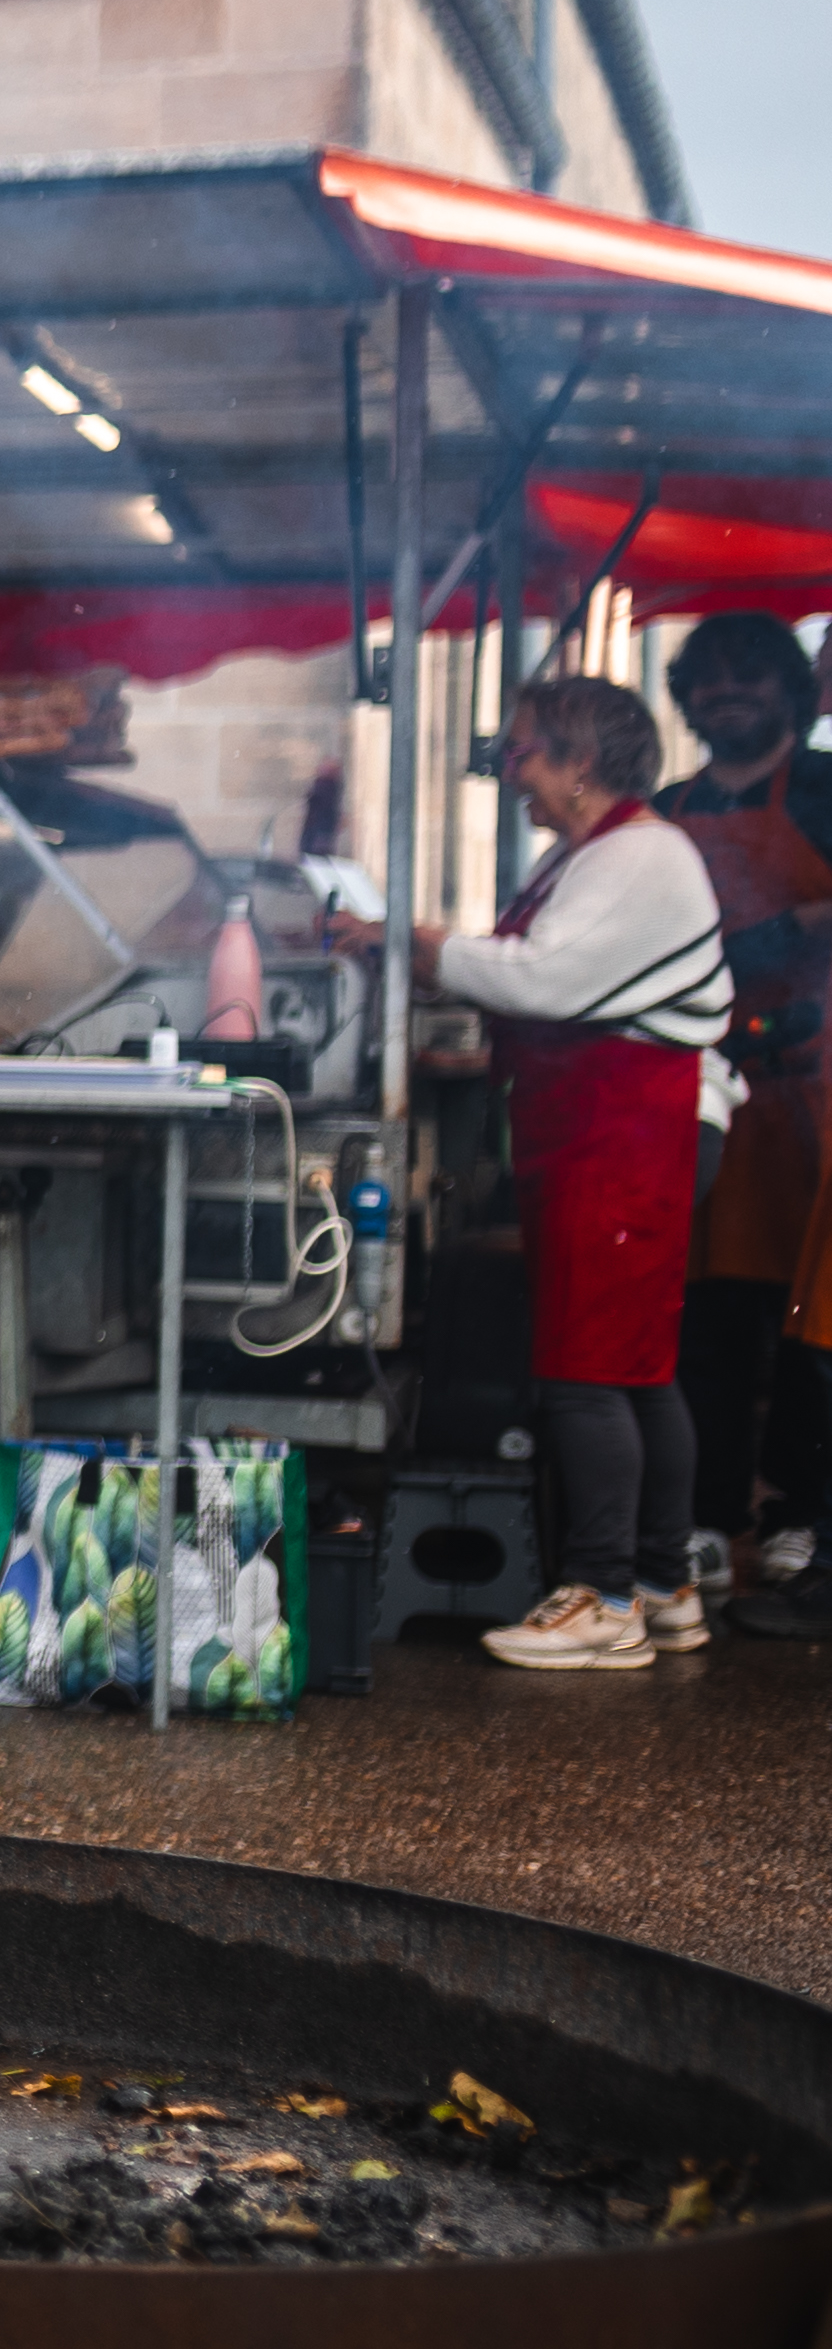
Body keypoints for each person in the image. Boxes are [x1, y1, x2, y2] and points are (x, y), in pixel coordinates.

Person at [367, 677, 732, 1671]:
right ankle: (662, 1585)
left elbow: (543, 978)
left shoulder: (638, 853)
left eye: (522, 752)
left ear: (580, 762)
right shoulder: (594, 854)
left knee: (583, 1369)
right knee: (636, 1370)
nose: (511, 771)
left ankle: (603, 1596)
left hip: (628, 1133)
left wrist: (412, 946)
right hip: (612, 1129)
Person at [654, 613, 832, 1583]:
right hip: (703, 1093)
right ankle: (711, 1518)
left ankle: (800, 1513)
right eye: (709, 679)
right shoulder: (665, 804)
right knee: (707, 1318)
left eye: (749, 676)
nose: (727, 692)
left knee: (811, 1322)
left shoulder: (824, 790)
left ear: (789, 691)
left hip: (811, 1097)